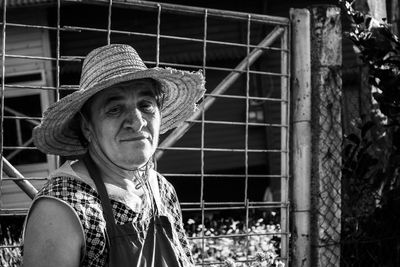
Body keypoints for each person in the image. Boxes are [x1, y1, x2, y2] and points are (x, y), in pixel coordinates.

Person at [22, 44, 205, 267]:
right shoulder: (62, 209)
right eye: (114, 109)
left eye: (146, 105)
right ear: (87, 127)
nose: (137, 122)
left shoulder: (160, 190)